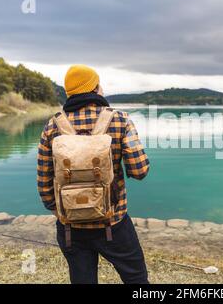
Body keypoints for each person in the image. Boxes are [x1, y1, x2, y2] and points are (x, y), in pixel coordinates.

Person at [37, 64, 150, 284]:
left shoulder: (53, 125)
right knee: (136, 278)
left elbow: (44, 183)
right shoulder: (120, 119)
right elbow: (139, 171)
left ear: (70, 93)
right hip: (113, 223)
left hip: (70, 228)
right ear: (96, 88)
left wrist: (63, 211)